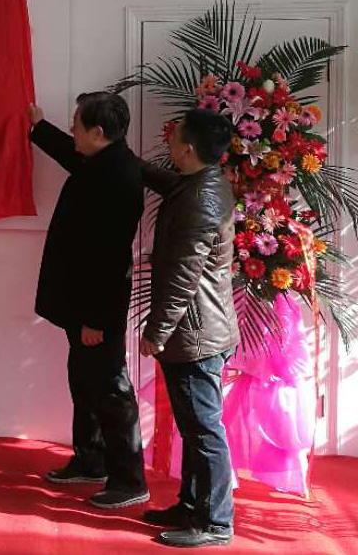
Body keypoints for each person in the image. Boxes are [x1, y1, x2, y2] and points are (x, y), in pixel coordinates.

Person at [28, 92, 149, 509]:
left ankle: (129, 480)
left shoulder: (119, 177)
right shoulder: (101, 160)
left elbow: (112, 259)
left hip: (97, 310)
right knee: (84, 382)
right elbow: (71, 153)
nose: (72, 130)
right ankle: (91, 459)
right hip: (81, 305)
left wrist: (97, 320)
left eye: (76, 124)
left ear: (97, 132)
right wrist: (39, 127)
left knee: (111, 391)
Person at [137, 108, 239, 548]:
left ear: (188, 149)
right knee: (195, 428)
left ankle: (215, 522)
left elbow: (183, 278)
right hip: (203, 330)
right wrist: (123, 158)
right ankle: (192, 505)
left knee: (203, 431)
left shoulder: (200, 200)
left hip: (196, 335)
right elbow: (167, 182)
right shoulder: (203, 182)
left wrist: (156, 333)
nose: (169, 142)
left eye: (174, 137)